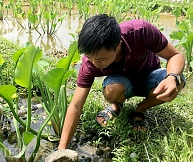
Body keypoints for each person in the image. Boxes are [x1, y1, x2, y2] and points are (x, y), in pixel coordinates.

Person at [58, 14, 186, 150]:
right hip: (121, 83)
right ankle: (117, 105)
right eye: (90, 58)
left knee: (179, 81)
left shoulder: (141, 31)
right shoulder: (90, 64)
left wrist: (172, 77)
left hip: (148, 76)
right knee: (111, 90)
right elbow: (76, 106)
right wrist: (62, 147)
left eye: (100, 59)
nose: (95, 64)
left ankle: (140, 109)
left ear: (118, 45)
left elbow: (175, 55)